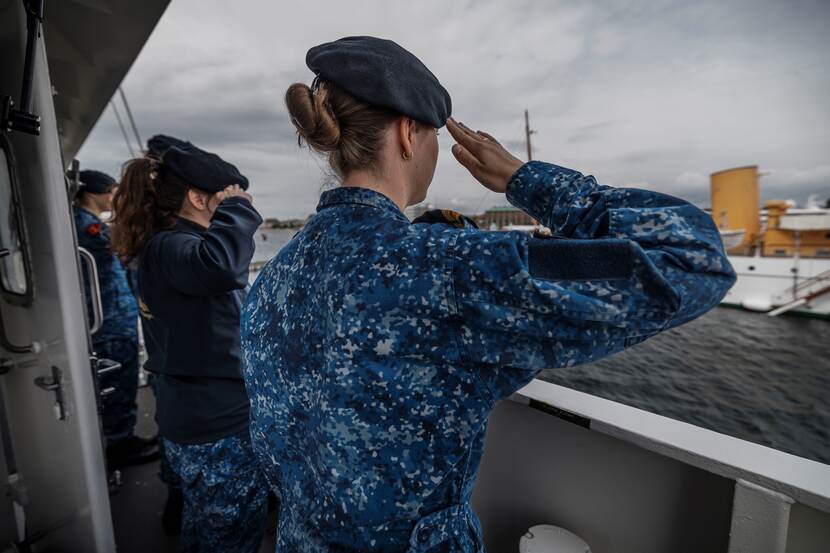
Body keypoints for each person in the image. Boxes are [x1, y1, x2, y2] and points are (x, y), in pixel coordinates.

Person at [241, 36, 736, 552]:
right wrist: (528, 180)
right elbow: (691, 256)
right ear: (410, 134)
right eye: (434, 137)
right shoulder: (443, 267)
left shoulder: (273, 277)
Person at [111, 136, 268, 553]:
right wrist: (236, 210)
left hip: (200, 420)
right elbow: (220, 269)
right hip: (216, 427)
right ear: (199, 198)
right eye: (228, 196)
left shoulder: (173, 246)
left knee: (204, 532)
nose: (242, 202)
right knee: (230, 539)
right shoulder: (173, 245)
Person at [72, 169, 159, 469]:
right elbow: (122, 243)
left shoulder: (90, 224)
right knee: (118, 382)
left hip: (115, 317)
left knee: (122, 379)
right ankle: (119, 444)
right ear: (93, 193)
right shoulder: (87, 227)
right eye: (110, 190)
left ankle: (122, 438)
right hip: (110, 322)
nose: (113, 196)